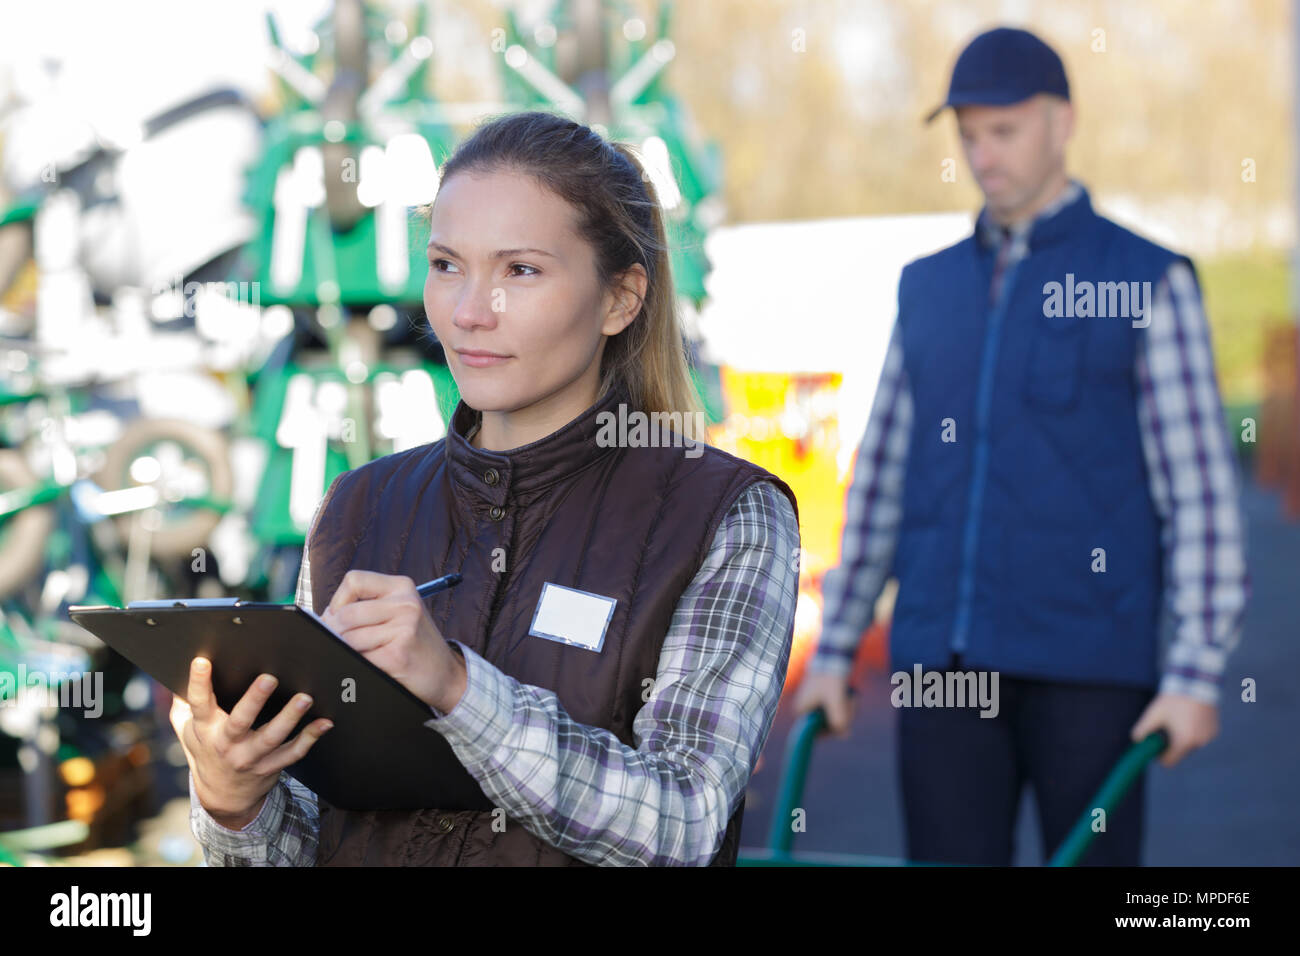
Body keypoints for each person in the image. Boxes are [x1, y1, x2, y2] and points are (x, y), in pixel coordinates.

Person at [170, 110, 801, 866]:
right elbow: (309, 839)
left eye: (520, 271)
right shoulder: (357, 509)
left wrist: (459, 688)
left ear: (620, 298)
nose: (469, 311)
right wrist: (234, 802)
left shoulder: (728, 516)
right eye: (446, 265)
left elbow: (683, 825)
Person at [794, 26, 1249, 866]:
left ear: (1062, 121)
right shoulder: (927, 287)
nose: (982, 154)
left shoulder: (1146, 281)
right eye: (968, 134)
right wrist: (833, 650)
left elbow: (1202, 499)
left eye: (1003, 131)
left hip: (1090, 671)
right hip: (941, 667)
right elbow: (885, 478)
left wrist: (1193, 673)